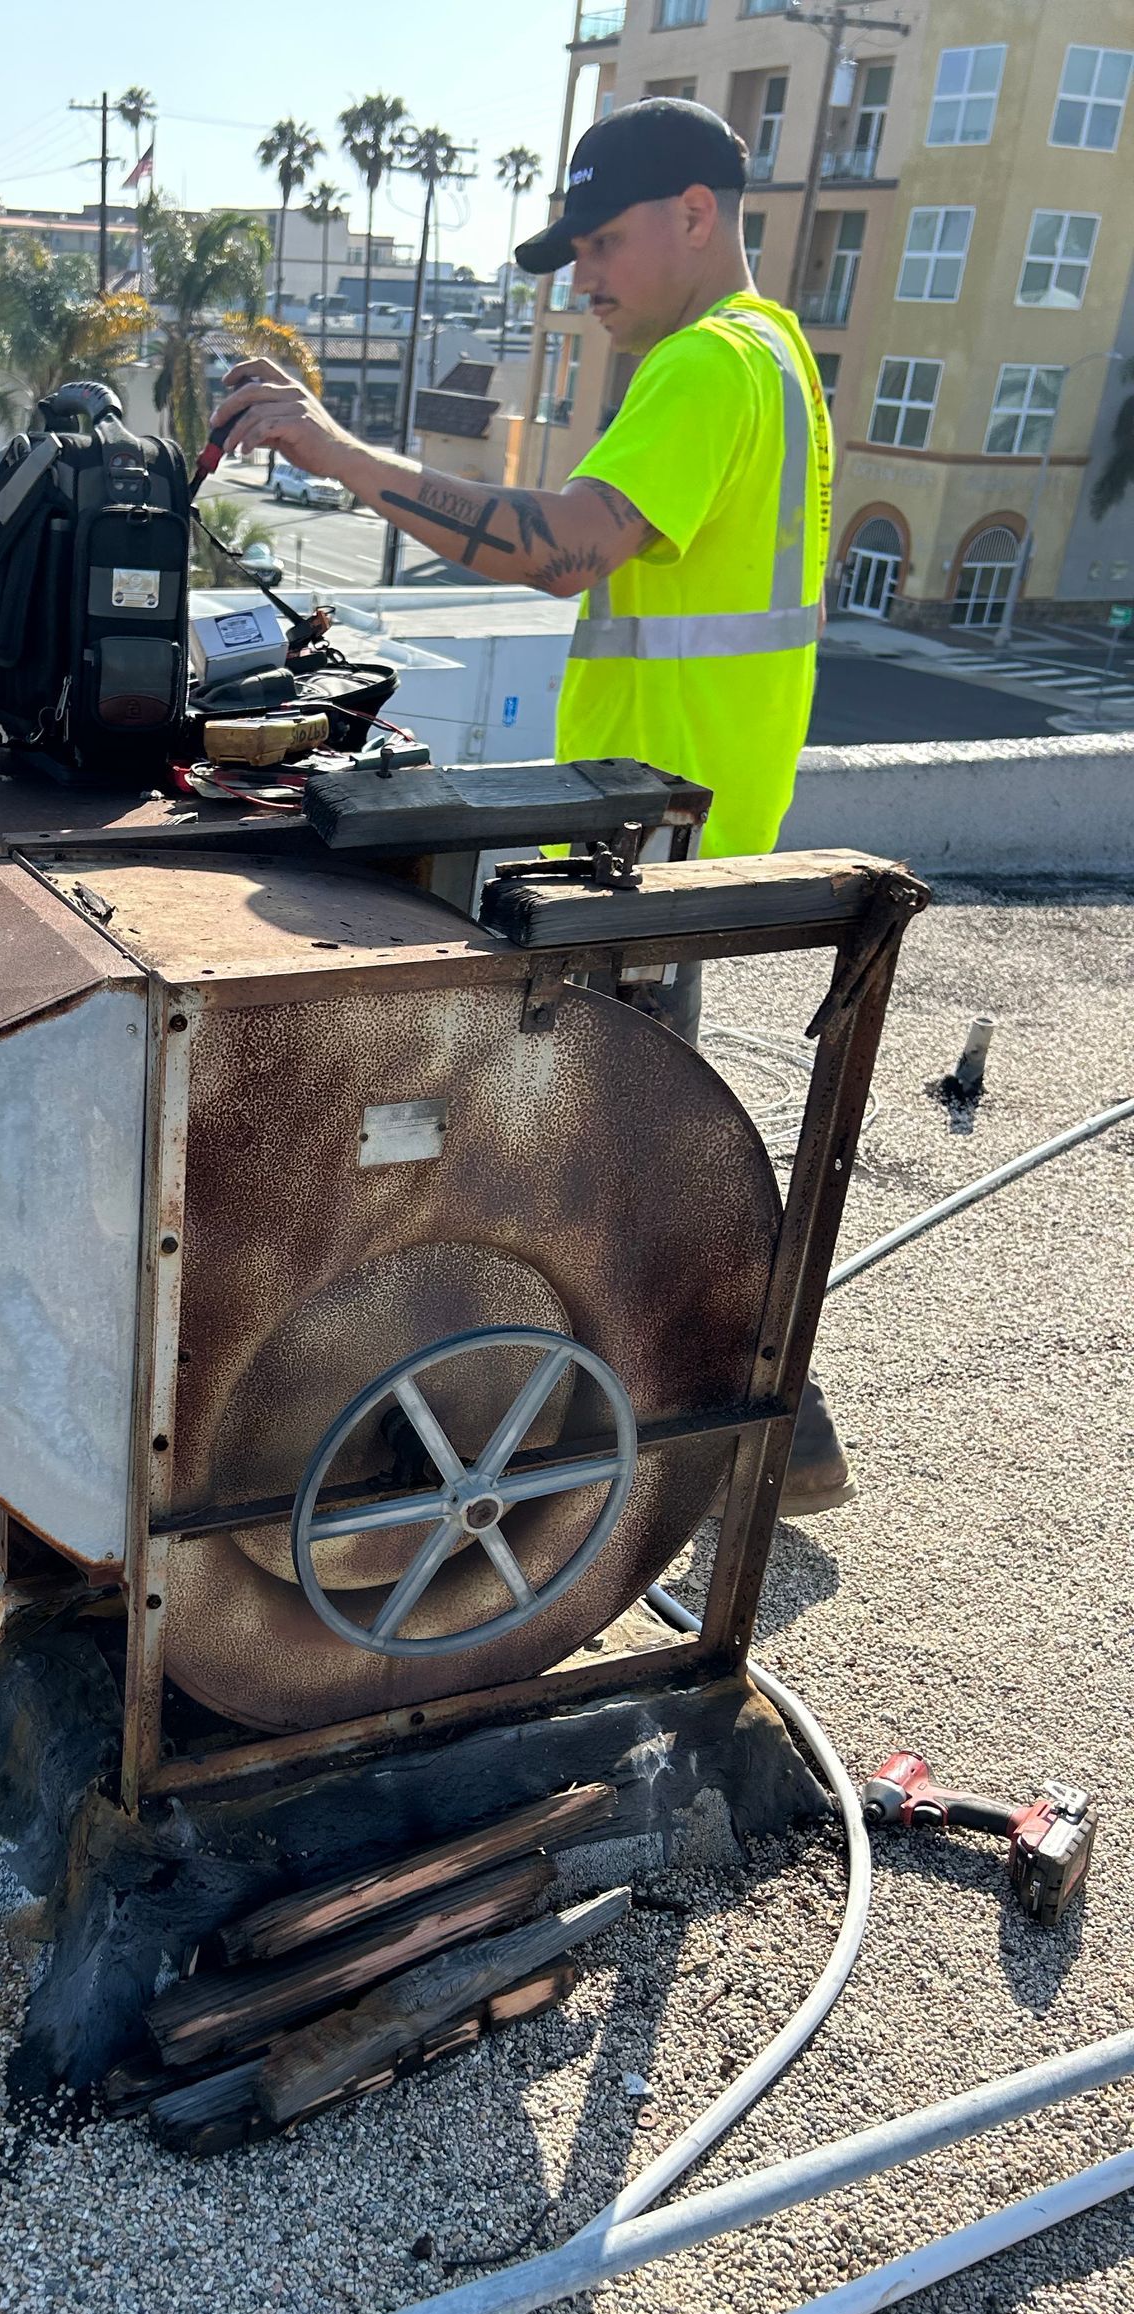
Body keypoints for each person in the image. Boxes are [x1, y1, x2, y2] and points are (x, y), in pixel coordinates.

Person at [205, 95, 852, 1513]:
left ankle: (694, 1445)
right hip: (667, 829)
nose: (586, 278)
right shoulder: (779, 361)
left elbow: (563, 551)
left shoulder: (708, 367)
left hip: (648, 846)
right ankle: (755, 1440)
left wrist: (342, 456)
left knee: (591, 1167)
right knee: (634, 1160)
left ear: (698, 213)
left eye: (605, 241)